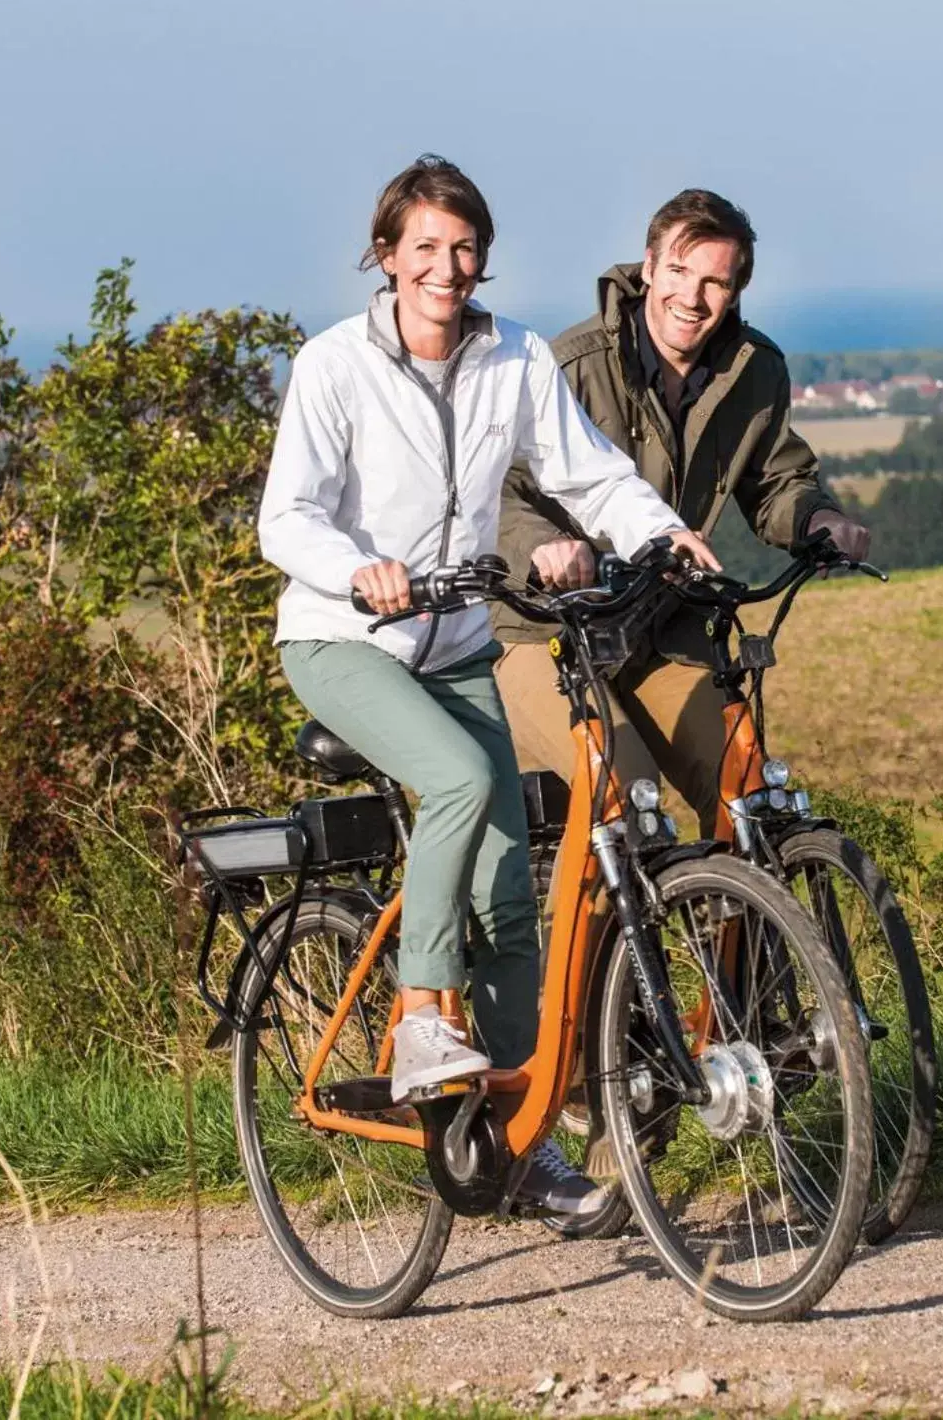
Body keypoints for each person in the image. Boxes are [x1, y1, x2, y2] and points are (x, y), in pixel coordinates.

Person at [256, 156, 719, 1218]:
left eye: (464, 249)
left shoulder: (511, 357)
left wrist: (662, 535)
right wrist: (353, 570)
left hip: (455, 640)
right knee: (463, 777)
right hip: (343, 640)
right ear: (386, 257)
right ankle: (424, 1010)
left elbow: (588, 471)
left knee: (514, 904)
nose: (447, 268)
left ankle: (516, 1148)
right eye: (424, 247)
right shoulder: (333, 366)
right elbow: (286, 519)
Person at [493, 189, 870, 827]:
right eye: (677, 271)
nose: (691, 299)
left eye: (714, 282)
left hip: (662, 628)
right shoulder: (571, 366)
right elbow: (500, 488)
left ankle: (735, 917)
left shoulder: (755, 373)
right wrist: (542, 547)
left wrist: (816, 520)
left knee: (748, 791)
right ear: (648, 267)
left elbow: (776, 480)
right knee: (625, 789)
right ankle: (578, 928)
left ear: (736, 292)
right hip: (545, 629)